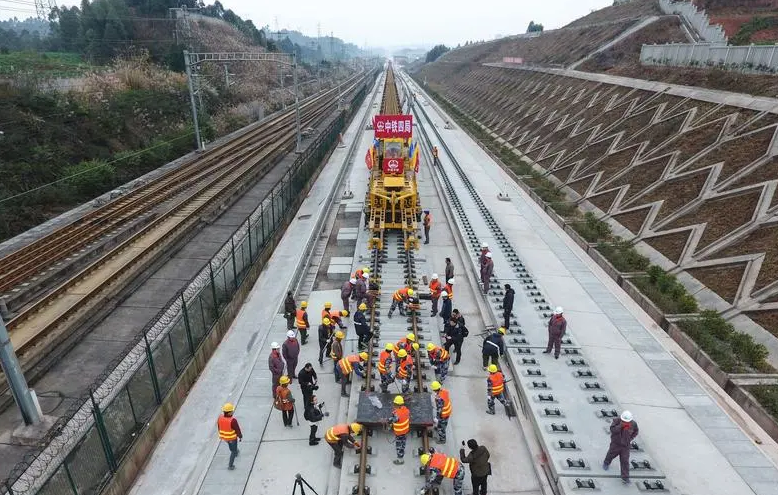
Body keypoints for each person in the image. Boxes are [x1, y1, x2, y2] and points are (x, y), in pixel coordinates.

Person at [603, 410, 639, 484]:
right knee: (611, 454)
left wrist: (630, 438)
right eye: (624, 421)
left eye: (627, 421)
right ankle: (606, 463)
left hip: (625, 446)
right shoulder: (616, 421)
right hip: (616, 444)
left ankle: (625, 477)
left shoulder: (633, 424)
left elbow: (636, 431)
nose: (626, 422)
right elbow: (612, 430)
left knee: (625, 461)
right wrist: (620, 426)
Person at [217, 403, 243, 470]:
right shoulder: (233, 420)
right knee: (233, 451)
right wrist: (240, 436)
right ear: (229, 413)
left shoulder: (220, 418)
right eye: (232, 411)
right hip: (232, 438)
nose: (233, 412)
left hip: (225, 438)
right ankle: (230, 465)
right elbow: (237, 429)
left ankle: (235, 451)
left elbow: (219, 427)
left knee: (231, 446)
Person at [390, 395, 410, 464]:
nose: (394, 405)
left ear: (397, 404)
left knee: (399, 445)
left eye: (395, 404)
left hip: (399, 433)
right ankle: (402, 450)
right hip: (405, 431)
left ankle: (400, 459)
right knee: (403, 442)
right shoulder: (406, 410)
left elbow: (394, 420)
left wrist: (388, 420)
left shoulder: (397, 415)